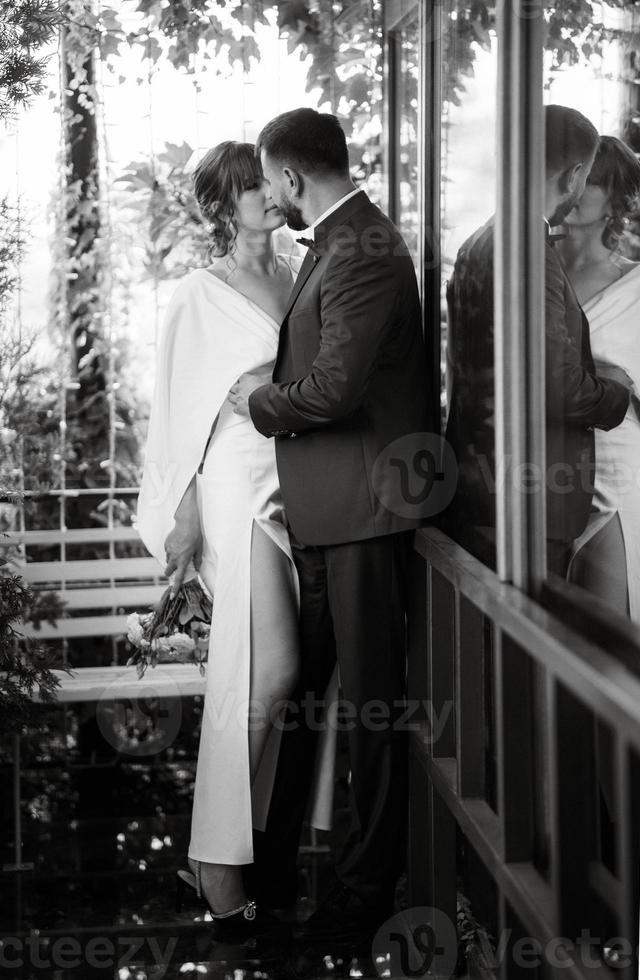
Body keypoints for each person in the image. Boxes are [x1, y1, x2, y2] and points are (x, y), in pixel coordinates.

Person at [228, 108, 432, 939]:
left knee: (373, 712)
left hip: (367, 512)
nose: (269, 194)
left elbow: (331, 392)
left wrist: (257, 404)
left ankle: (360, 898)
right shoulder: (341, 242)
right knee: (309, 694)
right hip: (327, 512)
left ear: (289, 176)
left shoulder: (366, 249)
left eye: (269, 178)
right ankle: (275, 868)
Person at [137, 140, 333, 934]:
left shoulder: (301, 275)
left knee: (281, 675)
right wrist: (182, 513)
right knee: (269, 667)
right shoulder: (198, 293)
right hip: (232, 486)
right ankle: (216, 857)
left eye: (269, 182)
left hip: (304, 485)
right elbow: (173, 412)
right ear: (223, 205)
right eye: (250, 188)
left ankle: (245, 842)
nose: (268, 195)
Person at [443, 105, 631, 575]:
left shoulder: (479, 240)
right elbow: (557, 386)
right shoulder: (530, 249)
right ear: (572, 176)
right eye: (585, 176)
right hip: (525, 499)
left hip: (477, 490)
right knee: (523, 645)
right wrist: (618, 392)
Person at [558, 135, 640, 628]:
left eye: (592, 180)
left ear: (617, 198)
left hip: (620, 470)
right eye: (572, 174)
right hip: (543, 469)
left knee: (612, 637)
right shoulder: (531, 275)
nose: (578, 189)